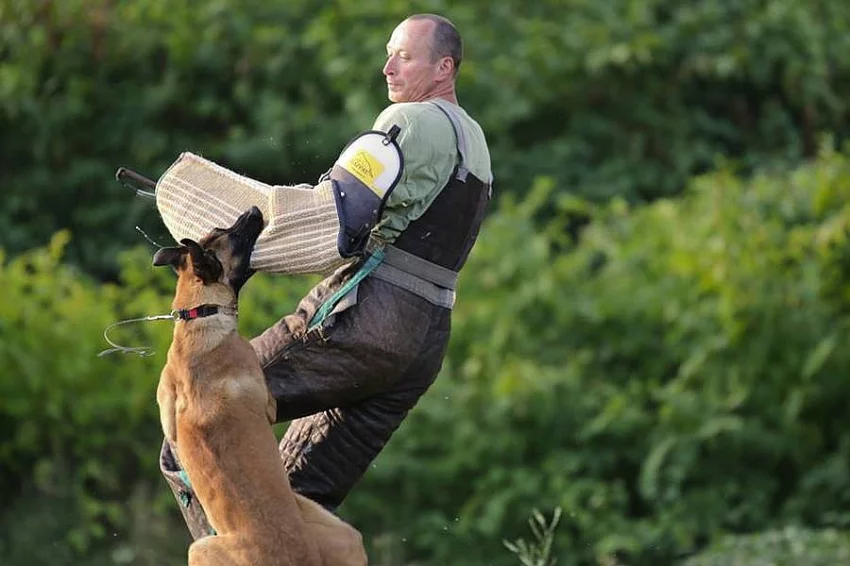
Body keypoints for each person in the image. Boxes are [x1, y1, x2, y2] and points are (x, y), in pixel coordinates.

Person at [159, 13, 493, 539]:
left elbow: (336, 219)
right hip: (423, 344)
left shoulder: (408, 123)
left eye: (404, 55)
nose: (387, 67)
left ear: (444, 66)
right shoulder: (476, 142)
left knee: (190, 424)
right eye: (389, 53)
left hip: (369, 318)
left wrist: (236, 245)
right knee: (292, 497)